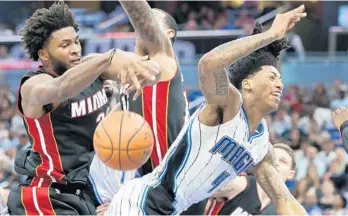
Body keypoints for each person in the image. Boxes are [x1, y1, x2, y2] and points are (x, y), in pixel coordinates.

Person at [105, 5, 307, 215]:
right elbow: (209, 64)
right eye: (272, 77)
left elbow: (285, 201)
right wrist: (271, 34)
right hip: (144, 201)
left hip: (172, 210)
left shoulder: (262, 147)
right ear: (248, 83)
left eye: (280, 80)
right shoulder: (228, 104)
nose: (280, 85)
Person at [7, 2, 159, 215]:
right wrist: (109, 57)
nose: (75, 49)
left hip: (86, 195)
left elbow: (154, 73)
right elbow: (61, 88)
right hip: (47, 194)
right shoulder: (33, 86)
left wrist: (148, 68)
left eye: (77, 42)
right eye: (65, 45)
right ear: (44, 54)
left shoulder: (94, 70)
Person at [90, 0, 197, 214]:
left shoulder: (164, 61)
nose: (142, 24)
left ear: (168, 34)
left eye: (151, 19)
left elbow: (140, 16)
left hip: (177, 184)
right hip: (150, 187)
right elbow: (110, 139)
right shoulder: (128, 83)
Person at [205, 143, 296, 215]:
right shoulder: (241, 184)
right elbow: (201, 188)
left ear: (291, 174)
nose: (275, 162)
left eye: (283, 161)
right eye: (272, 158)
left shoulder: (283, 210)